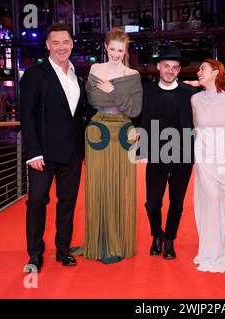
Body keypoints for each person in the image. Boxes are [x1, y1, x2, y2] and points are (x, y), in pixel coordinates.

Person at [20, 23, 93, 272]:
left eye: (66, 42)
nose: (61, 47)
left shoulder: (78, 76)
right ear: (47, 45)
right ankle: (35, 254)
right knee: (38, 201)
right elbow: (27, 116)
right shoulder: (34, 74)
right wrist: (33, 153)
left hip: (72, 152)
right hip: (43, 153)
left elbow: (82, 113)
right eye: (56, 42)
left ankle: (63, 250)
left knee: (68, 202)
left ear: (72, 44)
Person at [74, 28, 142, 263]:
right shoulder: (95, 69)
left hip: (123, 132)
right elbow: (92, 100)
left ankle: (115, 242)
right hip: (98, 129)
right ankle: (97, 241)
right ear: (105, 47)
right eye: (112, 49)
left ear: (126, 50)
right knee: (97, 185)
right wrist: (115, 99)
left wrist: (113, 92)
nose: (115, 54)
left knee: (117, 186)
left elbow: (134, 110)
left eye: (120, 50)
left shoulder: (132, 74)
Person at [139, 46, 196, 259]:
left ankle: (170, 240)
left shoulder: (190, 93)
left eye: (175, 67)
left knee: (177, 202)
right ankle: (157, 235)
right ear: (158, 67)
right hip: (156, 153)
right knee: (152, 201)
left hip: (183, 155)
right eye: (166, 66)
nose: (170, 71)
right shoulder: (148, 92)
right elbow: (141, 120)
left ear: (179, 70)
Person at [191, 59, 225, 273]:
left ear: (215, 72)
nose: (198, 72)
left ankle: (216, 249)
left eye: (202, 68)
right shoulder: (194, 99)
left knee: (218, 201)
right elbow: (197, 127)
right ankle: (210, 251)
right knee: (210, 200)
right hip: (203, 155)